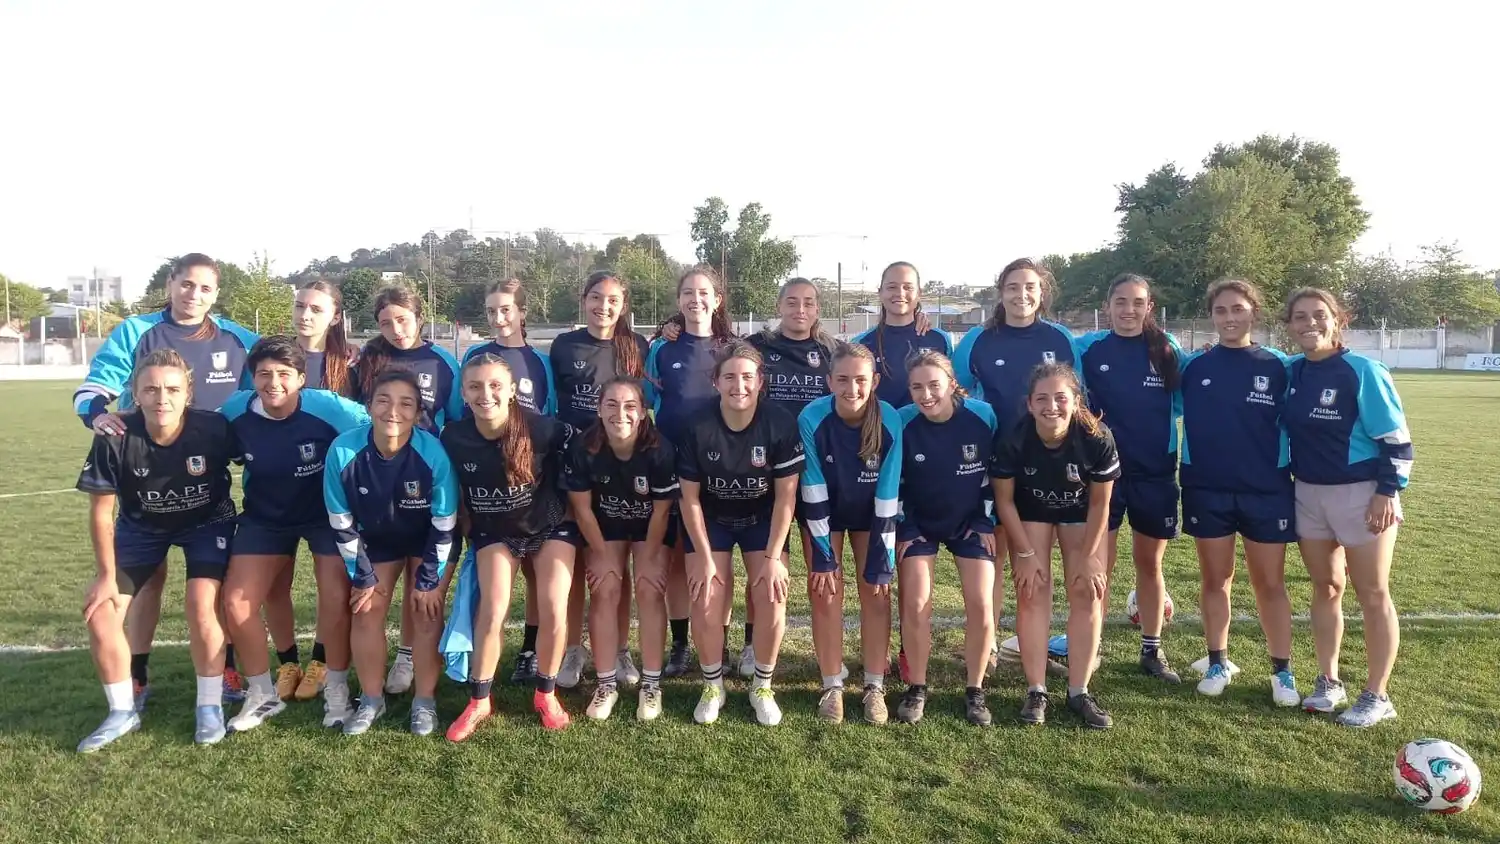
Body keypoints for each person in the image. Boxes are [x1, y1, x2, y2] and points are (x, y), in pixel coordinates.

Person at [72, 253, 260, 709]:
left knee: (209, 589)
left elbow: (282, 373)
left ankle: (227, 666)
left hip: (205, 476)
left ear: (216, 294)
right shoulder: (137, 332)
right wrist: (98, 416)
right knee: (149, 581)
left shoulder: (239, 338)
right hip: (146, 476)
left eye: (205, 288)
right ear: (171, 284)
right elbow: (97, 385)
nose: (194, 295)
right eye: (186, 284)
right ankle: (136, 674)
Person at [75, 349, 242, 751]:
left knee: (203, 603)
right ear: (134, 394)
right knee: (101, 614)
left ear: (189, 393)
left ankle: (208, 705)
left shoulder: (214, 427)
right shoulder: (114, 435)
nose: (161, 397)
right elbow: (101, 513)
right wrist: (105, 577)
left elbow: (256, 458)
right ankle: (121, 712)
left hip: (208, 523)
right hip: (141, 528)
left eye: (172, 388)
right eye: (150, 389)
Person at [218, 337, 368, 733]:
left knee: (335, 597)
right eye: (264, 374)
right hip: (265, 517)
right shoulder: (236, 411)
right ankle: (264, 692)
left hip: (326, 516)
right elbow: (198, 437)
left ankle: (336, 687)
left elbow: (381, 425)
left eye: (284, 374)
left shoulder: (330, 408)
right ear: (252, 378)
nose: (274, 382)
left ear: (302, 378)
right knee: (237, 602)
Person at [1283, 288, 1412, 727]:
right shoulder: (1292, 371)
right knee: (1326, 587)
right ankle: (1329, 680)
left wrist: (1386, 492)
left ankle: (1378, 694)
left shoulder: (1363, 370)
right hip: (1309, 493)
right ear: (1289, 325)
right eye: (1300, 317)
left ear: (1338, 320)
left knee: (1373, 593)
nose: (1310, 323)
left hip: (1362, 494)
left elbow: (1397, 440)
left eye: (1319, 315)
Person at [440, 354, 579, 737]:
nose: (486, 394)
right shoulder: (453, 436)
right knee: (494, 607)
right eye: (475, 387)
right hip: (494, 531)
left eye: (495, 385)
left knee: (553, 605)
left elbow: (585, 451)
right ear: (464, 394)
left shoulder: (544, 429)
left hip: (550, 525)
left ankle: (546, 693)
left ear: (513, 391)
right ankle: (479, 700)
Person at [952, 258, 1077, 672]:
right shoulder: (978, 339)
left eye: (1030, 287)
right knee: (998, 555)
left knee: (1047, 556)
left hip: (1052, 465)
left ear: (1041, 293)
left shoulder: (1060, 338)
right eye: (1012, 287)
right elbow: (957, 392)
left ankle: (1041, 640)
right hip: (998, 464)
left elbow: (1077, 396)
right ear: (1000, 291)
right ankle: (988, 645)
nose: (1021, 295)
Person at [1178, 279, 1299, 705]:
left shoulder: (1280, 366)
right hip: (1207, 488)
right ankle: (1217, 660)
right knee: (1216, 578)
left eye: (1238, 309)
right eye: (1221, 311)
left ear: (1254, 313)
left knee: (1270, 583)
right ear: (1211, 316)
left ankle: (1282, 671)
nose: (1229, 318)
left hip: (1266, 490)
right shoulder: (1194, 368)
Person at [323, 370, 458, 736]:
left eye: (406, 403)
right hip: (378, 542)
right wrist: (363, 575)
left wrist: (429, 579)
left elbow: (444, 523)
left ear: (418, 414)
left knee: (426, 611)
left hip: (427, 541)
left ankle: (424, 701)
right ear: (369, 406)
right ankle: (371, 699)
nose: (393, 411)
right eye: (383, 400)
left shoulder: (433, 453)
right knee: (365, 610)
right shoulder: (344, 450)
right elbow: (340, 520)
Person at [678, 340, 804, 726]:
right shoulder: (696, 425)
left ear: (760, 381)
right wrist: (701, 555)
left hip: (761, 518)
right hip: (711, 519)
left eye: (747, 377)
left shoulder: (779, 422)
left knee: (771, 593)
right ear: (716, 381)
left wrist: (772, 558)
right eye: (730, 376)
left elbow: (786, 497)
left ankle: (762, 685)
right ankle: (713, 684)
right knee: (705, 597)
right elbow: (689, 500)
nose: (739, 385)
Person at [991, 363, 1121, 729]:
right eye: (1042, 399)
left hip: (1080, 513)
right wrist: (1026, 555)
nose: (1052, 406)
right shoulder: (1014, 439)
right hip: (1030, 512)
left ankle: (1079, 690)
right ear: (1029, 404)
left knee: (1088, 591)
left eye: (1061, 398)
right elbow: (1005, 502)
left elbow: (1100, 504)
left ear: (1076, 401)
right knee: (1032, 591)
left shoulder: (1096, 437)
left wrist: (1089, 557)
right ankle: (1037, 690)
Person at [349, 285, 463, 698]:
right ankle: (372, 681)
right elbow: (349, 413)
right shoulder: (365, 360)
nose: (396, 329)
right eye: (385, 322)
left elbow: (455, 422)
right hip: (377, 486)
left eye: (402, 319)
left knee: (424, 586)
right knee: (376, 589)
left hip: (427, 481)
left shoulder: (442, 362)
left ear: (419, 316)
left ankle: (408, 655)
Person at [1075, 274, 1183, 684]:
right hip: (1103, 476)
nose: (1128, 310)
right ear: (1108, 306)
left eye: (1137, 302)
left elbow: (1189, 390)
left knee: (1150, 564)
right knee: (1101, 563)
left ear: (1149, 306)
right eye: (1120, 301)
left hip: (1154, 472)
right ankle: (1093, 645)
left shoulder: (1166, 349)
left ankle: (1152, 649)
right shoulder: (1089, 349)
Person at [549, 271, 652, 690]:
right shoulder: (563, 346)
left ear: (623, 304)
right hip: (574, 466)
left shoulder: (638, 346)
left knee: (617, 566)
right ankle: (574, 649)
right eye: (595, 297)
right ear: (584, 299)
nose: (603, 306)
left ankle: (620, 649)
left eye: (612, 299)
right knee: (577, 566)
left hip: (622, 470)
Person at [262, 279, 359, 706]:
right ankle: (287, 662)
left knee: (331, 587)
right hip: (276, 494)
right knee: (273, 584)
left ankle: (321, 661)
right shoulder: (275, 355)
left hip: (332, 498)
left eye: (316, 309)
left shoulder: (351, 363)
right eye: (300, 305)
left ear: (334, 316)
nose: (305, 315)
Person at [564, 377, 679, 721]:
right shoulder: (585, 447)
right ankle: (606, 684)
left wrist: (654, 558)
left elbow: (661, 511)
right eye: (611, 405)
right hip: (605, 525)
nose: (620, 414)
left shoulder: (659, 450)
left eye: (630, 406)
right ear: (599, 409)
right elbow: (582, 509)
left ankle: (651, 684)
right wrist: (599, 557)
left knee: (648, 588)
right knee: (605, 588)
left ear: (643, 412)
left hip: (650, 528)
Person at [798, 343, 902, 724]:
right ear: (829, 381)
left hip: (873, 516)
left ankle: (874, 686)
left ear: (874, 381)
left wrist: (882, 557)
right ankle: (832, 686)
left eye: (860, 380)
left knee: (875, 591)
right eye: (842, 379)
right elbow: (812, 488)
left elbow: (889, 492)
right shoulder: (811, 417)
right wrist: (824, 555)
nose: (851, 388)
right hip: (825, 513)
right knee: (825, 592)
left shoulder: (889, 419)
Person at [894, 349, 999, 726]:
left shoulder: (982, 416)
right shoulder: (902, 422)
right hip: (919, 525)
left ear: (953, 384)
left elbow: (993, 474)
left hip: (970, 523)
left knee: (981, 604)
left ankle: (975, 689)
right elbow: (895, 481)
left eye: (934, 385)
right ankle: (917, 687)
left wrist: (985, 521)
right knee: (917, 602)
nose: (926, 395)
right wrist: (906, 524)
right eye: (917, 387)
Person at [461, 278, 556, 686]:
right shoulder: (475, 356)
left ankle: (530, 653)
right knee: (493, 586)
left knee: (539, 577)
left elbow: (549, 416)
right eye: (490, 311)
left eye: (505, 310)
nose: (498, 318)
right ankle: (476, 658)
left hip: (532, 485)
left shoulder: (540, 362)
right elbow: (460, 415)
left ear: (521, 312)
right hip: (488, 485)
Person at [647, 266, 736, 680]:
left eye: (704, 293)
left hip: (721, 470)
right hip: (672, 469)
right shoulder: (663, 348)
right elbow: (647, 400)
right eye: (687, 293)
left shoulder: (735, 347)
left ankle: (720, 636)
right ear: (678, 301)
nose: (695, 300)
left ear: (717, 299)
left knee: (720, 559)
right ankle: (681, 644)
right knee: (680, 561)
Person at [853, 261, 953, 409]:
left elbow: (953, 390)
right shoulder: (862, 343)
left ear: (919, 293)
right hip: (880, 429)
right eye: (892, 287)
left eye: (908, 287)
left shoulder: (939, 339)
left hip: (927, 430)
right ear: (880, 293)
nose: (900, 293)